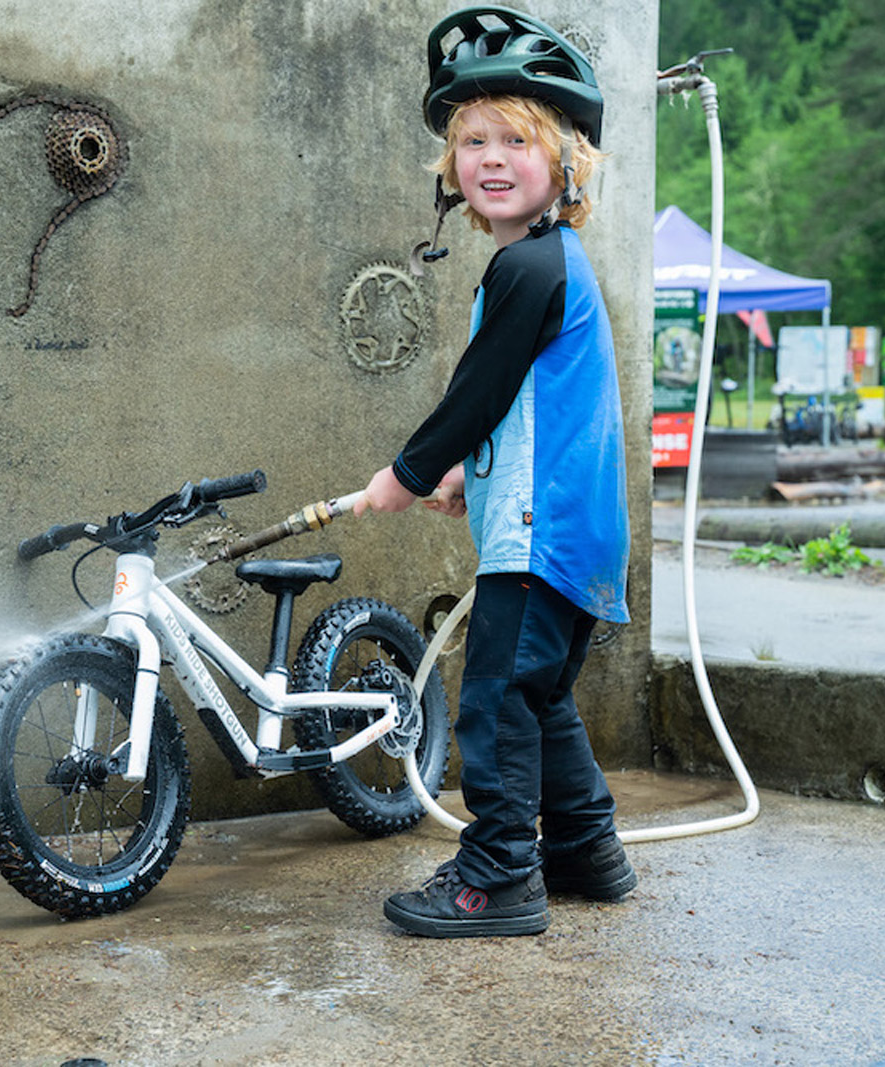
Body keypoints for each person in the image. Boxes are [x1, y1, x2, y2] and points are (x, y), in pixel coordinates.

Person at [354, 6, 637, 938]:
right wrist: (464, 479)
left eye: (519, 138)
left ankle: (500, 875)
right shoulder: (547, 261)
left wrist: (406, 471)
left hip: (540, 533)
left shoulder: (529, 270)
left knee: (496, 701)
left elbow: (475, 395)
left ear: (565, 161)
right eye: (473, 140)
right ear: (452, 170)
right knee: (541, 697)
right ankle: (588, 853)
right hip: (569, 527)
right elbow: (526, 404)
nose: (491, 157)